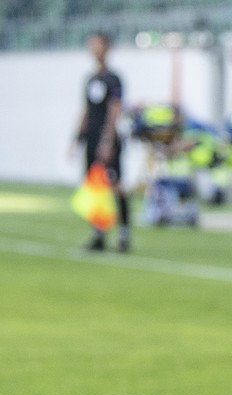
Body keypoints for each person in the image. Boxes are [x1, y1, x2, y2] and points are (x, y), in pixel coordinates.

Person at [74, 31, 130, 252]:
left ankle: (124, 235)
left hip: (108, 139)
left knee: (115, 186)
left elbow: (115, 109)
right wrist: (76, 138)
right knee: (94, 188)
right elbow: (87, 110)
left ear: (106, 47)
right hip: (92, 138)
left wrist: (108, 139)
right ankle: (98, 235)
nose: (93, 49)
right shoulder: (90, 79)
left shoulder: (113, 79)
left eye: (97, 44)